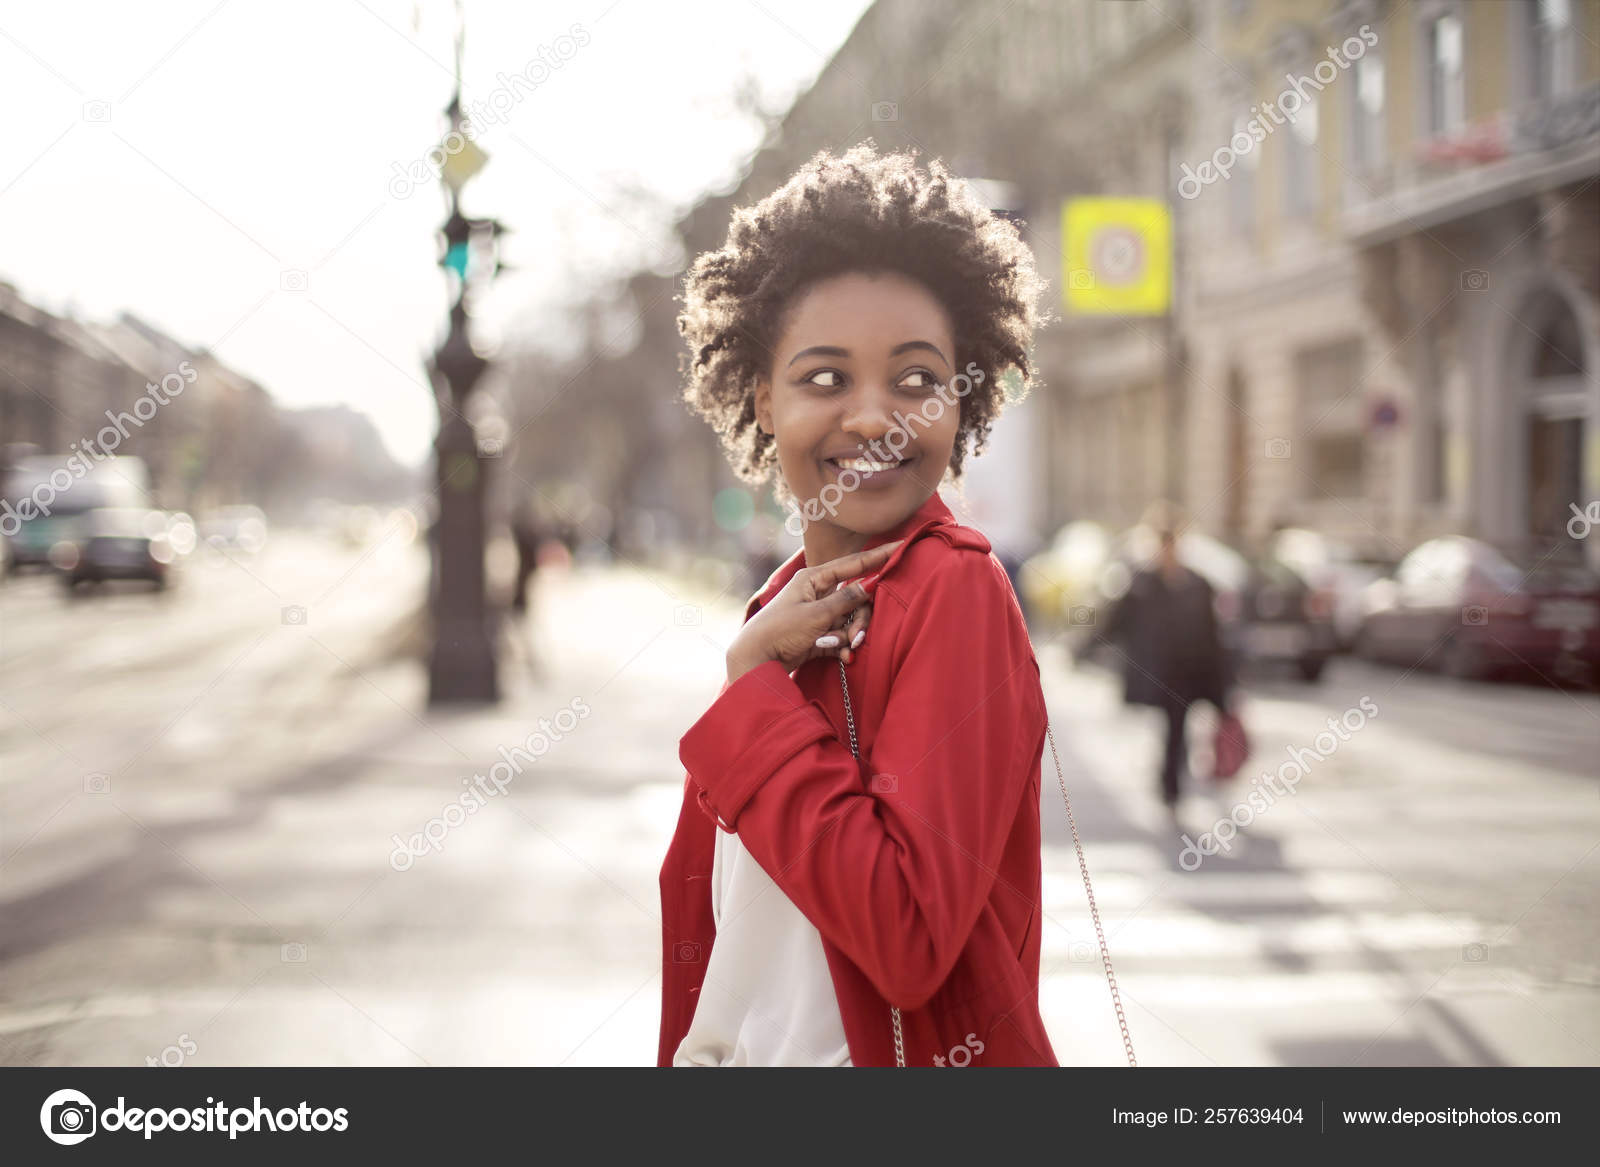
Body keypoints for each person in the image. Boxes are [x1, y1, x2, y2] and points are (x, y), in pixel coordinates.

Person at [658, 145, 1058, 1067]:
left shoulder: (955, 590)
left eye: (917, 380)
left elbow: (907, 935)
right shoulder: (781, 607)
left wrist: (750, 690)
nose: (876, 416)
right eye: (826, 378)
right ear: (763, 399)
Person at [1103, 503, 1233, 823]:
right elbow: (1114, 623)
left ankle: (1171, 788)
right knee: (1172, 730)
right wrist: (1080, 649)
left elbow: (1214, 634)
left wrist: (1226, 680)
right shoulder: (1141, 582)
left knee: (1177, 730)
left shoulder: (1197, 583)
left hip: (1191, 671)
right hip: (1158, 672)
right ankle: (1170, 785)